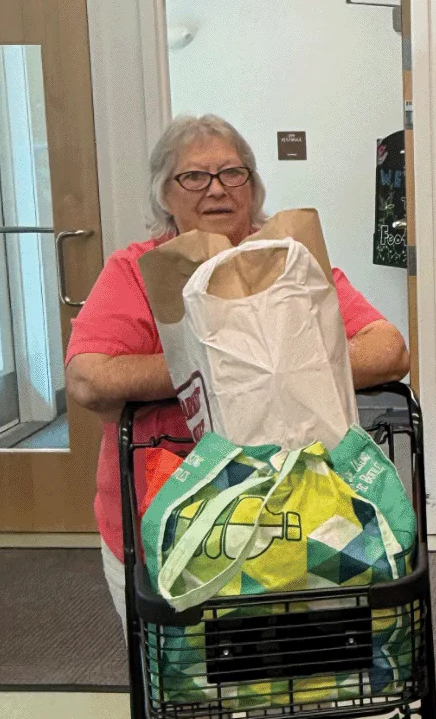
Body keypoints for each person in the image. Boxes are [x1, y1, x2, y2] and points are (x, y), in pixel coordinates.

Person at [65, 114, 411, 622]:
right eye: (193, 177)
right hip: (172, 525)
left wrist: (273, 364)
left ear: (252, 185)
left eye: (233, 173)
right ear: (164, 193)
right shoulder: (134, 271)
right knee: (192, 688)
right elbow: (89, 379)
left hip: (308, 514)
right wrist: (226, 363)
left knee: (316, 681)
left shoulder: (291, 260)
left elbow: (388, 350)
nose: (216, 189)